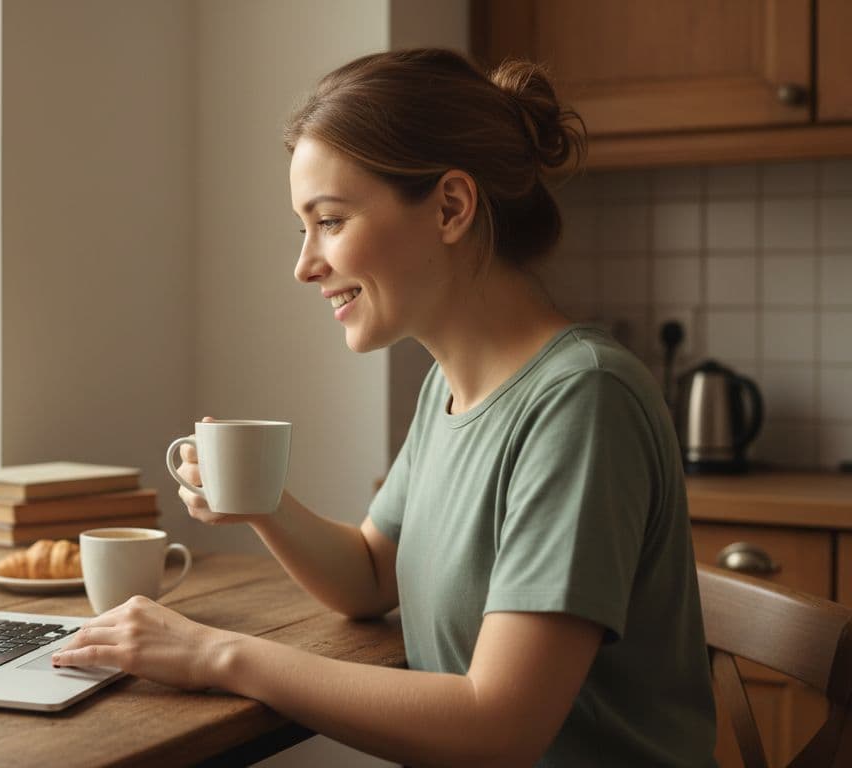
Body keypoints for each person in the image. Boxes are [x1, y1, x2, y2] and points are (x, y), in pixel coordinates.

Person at [52, 48, 716, 767]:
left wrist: (215, 654)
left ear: (451, 208)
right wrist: (261, 501)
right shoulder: (452, 387)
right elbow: (369, 575)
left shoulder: (581, 401)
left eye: (329, 221)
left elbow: (499, 724)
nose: (305, 264)